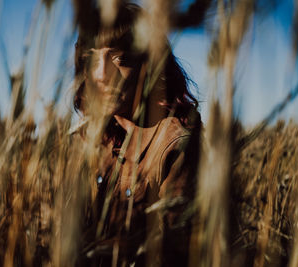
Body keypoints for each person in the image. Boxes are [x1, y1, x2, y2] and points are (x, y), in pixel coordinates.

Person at [72, 3, 201, 266]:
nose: (100, 75)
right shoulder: (90, 140)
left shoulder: (174, 145)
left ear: (149, 62)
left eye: (119, 58)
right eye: (90, 59)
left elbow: (177, 253)